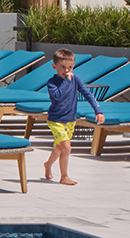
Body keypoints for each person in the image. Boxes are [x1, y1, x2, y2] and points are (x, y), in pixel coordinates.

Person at [39, 48, 103, 185]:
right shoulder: (52, 83)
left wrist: (98, 111)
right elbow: (57, 97)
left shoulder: (76, 79)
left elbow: (87, 94)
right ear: (54, 66)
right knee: (67, 147)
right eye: (63, 67)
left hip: (70, 120)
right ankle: (64, 177)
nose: (67, 70)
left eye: (70, 67)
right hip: (55, 120)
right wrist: (67, 80)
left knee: (59, 148)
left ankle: (47, 165)